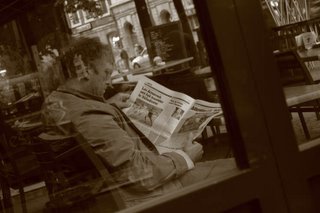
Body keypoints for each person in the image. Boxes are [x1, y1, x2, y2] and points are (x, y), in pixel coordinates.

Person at [41, 37, 236, 207]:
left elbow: (85, 121)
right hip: (152, 195)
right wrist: (185, 158)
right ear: (86, 71)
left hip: (123, 189)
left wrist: (109, 105)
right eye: (106, 73)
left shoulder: (58, 101)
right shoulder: (90, 116)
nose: (109, 82)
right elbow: (140, 175)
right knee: (242, 169)